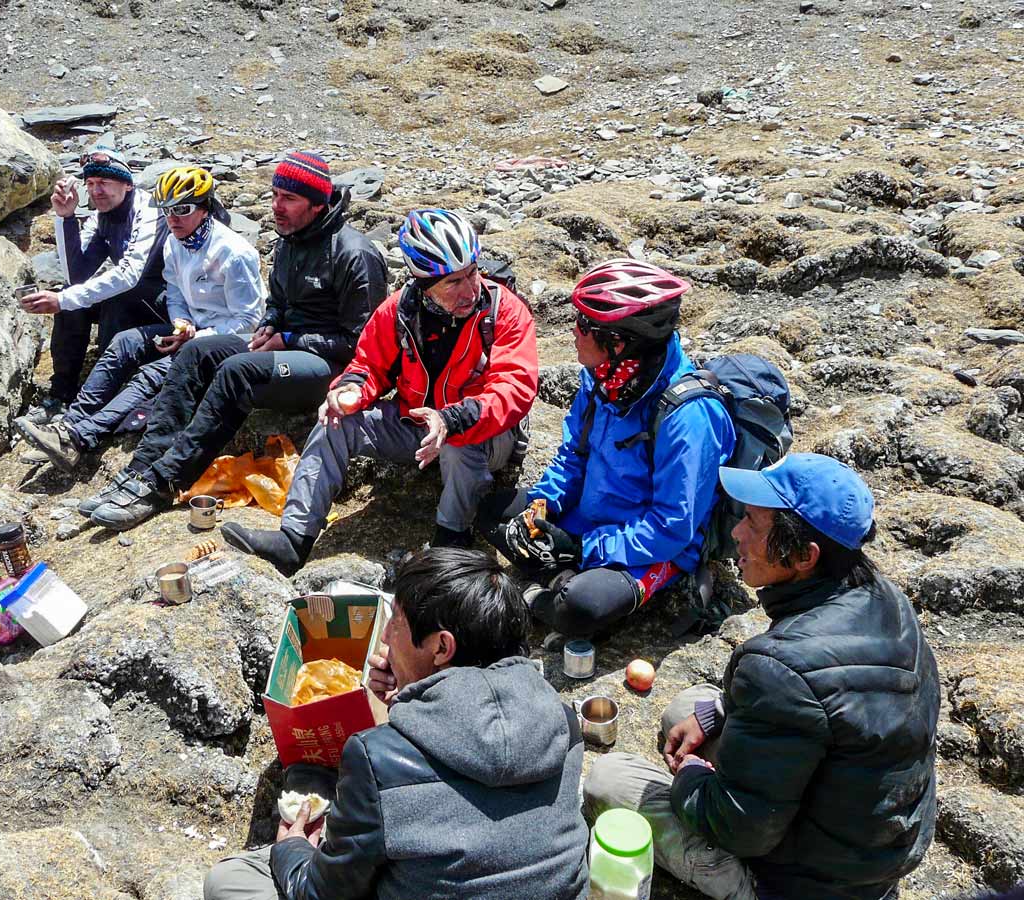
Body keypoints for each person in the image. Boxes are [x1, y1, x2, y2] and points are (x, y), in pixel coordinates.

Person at [583, 453, 940, 900]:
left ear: (804, 556)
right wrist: (717, 714)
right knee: (689, 706)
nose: (736, 532)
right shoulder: (885, 598)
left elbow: (739, 830)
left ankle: (744, 888)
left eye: (752, 522)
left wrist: (693, 777)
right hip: (873, 848)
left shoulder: (780, 668)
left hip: (804, 884)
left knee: (609, 781)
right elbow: (822, 706)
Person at [203, 547, 590, 900]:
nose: (386, 636)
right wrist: (407, 703)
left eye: (396, 623)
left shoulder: (378, 760)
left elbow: (320, 893)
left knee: (230, 881)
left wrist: (292, 848)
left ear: (442, 647)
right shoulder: (563, 721)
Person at [219, 209, 538, 575]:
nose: (470, 289)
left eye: (472, 272)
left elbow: (514, 388)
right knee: (334, 423)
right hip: (414, 423)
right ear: (423, 282)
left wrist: (449, 419)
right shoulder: (401, 310)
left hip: (484, 433)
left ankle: (452, 541)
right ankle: (294, 539)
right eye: (453, 282)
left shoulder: (505, 312)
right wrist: (349, 392)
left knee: (458, 440)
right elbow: (367, 364)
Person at [84, 151, 388, 530]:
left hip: (333, 369)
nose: (277, 207)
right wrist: (271, 324)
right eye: (275, 195)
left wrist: (289, 336)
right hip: (285, 347)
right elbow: (276, 300)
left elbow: (363, 345)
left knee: (237, 371)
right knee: (196, 352)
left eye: (289, 199)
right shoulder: (290, 239)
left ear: (318, 203)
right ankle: (139, 469)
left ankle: (162, 483)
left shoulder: (354, 255)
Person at [479, 259, 735, 639]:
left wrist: (582, 549)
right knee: (490, 512)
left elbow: (671, 527)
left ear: (619, 343)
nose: (573, 331)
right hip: (590, 514)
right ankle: (559, 575)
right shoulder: (602, 378)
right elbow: (574, 456)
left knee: (581, 607)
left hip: (652, 547)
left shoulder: (689, 417)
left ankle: (547, 592)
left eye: (585, 326)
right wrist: (545, 505)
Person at [15, 166, 264, 470]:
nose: (172, 219)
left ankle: (80, 437)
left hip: (225, 339)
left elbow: (250, 320)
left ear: (205, 208)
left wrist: (197, 338)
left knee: (153, 374)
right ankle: (69, 422)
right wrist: (181, 323)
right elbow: (175, 292)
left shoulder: (234, 253)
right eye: (167, 210)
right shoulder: (176, 241)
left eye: (182, 210)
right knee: (125, 342)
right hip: (191, 328)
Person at [18, 145, 169, 423]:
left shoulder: (148, 210)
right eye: (90, 184)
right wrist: (65, 218)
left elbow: (130, 273)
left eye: (104, 183)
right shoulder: (102, 217)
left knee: (114, 297)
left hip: (169, 304)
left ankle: (101, 395)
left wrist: (63, 299)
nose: (96, 191)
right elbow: (76, 275)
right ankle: (61, 393)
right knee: (71, 297)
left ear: (127, 184)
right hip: (135, 296)